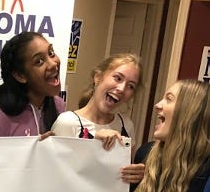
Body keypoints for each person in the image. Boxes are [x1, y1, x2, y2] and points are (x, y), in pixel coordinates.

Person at [51, 52, 145, 185]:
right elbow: (55, 176)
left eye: (130, 86)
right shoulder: (68, 123)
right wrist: (94, 146)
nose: (122, 89)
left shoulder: (126, 125)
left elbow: (122, 178)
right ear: (98, 77)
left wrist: (135, 175)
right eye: (118, 78)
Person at [0, 32, 65, 137]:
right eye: (39, 61)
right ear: (20, 75)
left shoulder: (58, 106)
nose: (53, 64)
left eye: (51, 53)